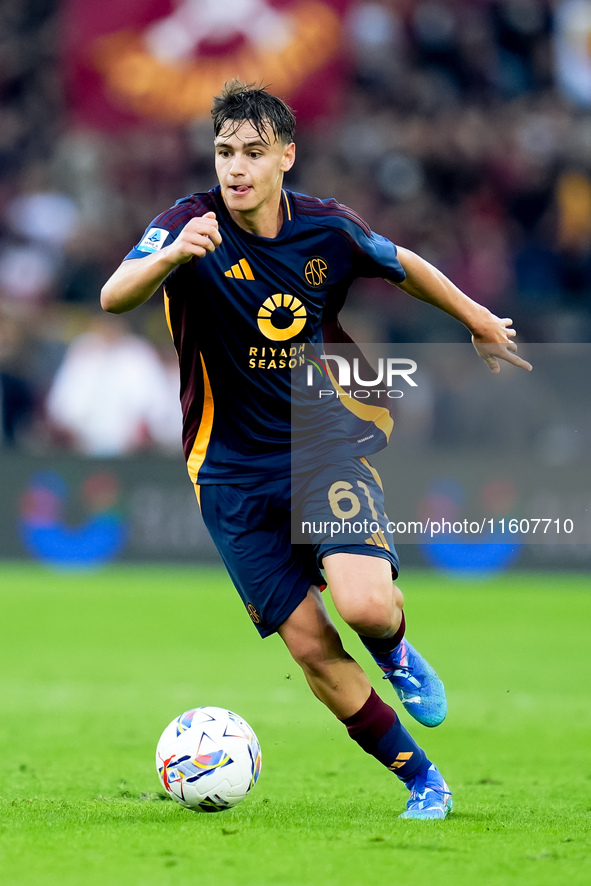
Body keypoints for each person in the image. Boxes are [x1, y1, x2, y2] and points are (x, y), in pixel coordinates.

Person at [101, 80, 532, 819]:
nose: (235, 167)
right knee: (309, 647)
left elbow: (403, 264)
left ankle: (394, 650)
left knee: (365, 608)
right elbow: (114, 295)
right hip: (227, 471)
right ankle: (422, 781)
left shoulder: (326, 229)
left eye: (252, 153)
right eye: (224, 152)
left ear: (285, 158)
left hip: (319, 446)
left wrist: (476, 318)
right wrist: (171, 257)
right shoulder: (187, 223)